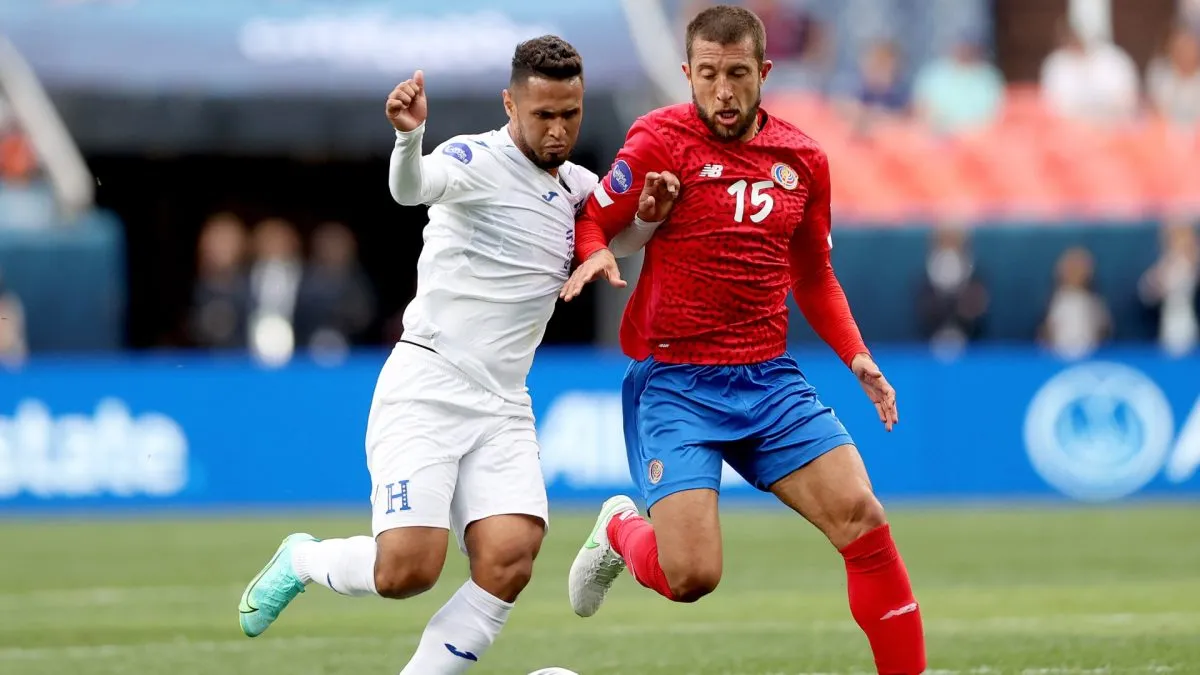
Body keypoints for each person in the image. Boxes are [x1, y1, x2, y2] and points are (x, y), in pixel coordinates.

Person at [235, 36, 675, 674]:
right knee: (407, 570)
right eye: (543, 114)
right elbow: (411, 189)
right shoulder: (473, 159)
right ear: (510, 103)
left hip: (503, 402)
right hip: (429, 385)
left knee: (511, 557)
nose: (558, 130)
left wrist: (651, 220)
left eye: (570, 114)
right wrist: (408, 139)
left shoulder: (581, 186)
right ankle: (302, 559)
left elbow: (613, 236)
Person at [559, 6, 926, 674]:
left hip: (769, 380)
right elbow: (594, 218)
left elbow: (814, 276)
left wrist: (857, 356)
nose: (721, 91)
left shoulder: (802, 158)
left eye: (735, 74)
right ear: (687, 74)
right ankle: (619, 529)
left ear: (763, 71)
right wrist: (595, 253)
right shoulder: (655, 140)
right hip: (676, 383)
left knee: (863, 518)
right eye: (707, 74)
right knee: (692, 574)